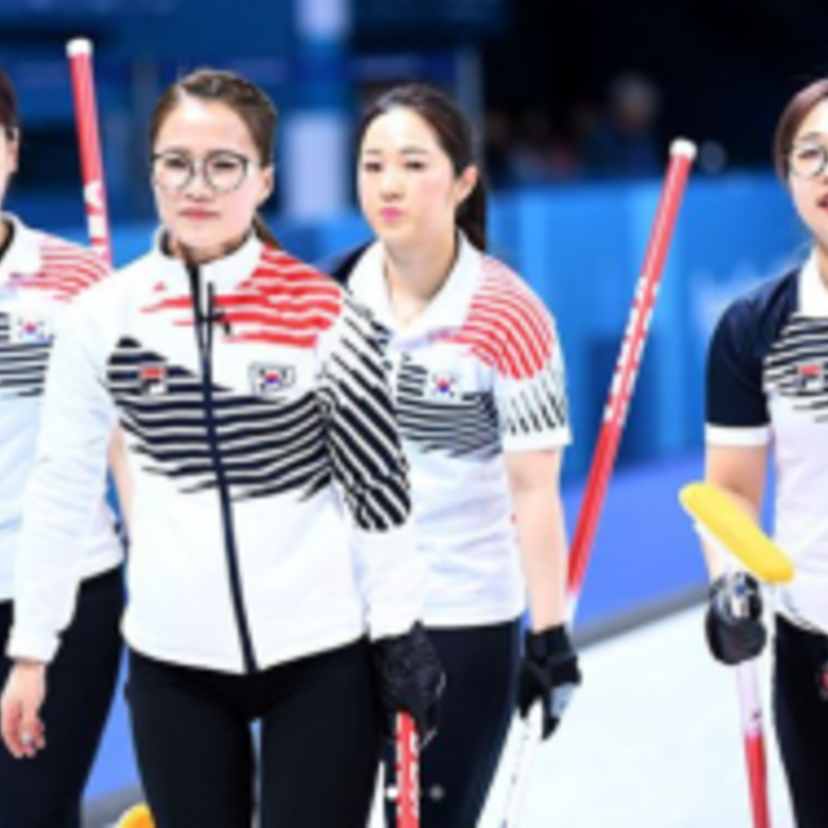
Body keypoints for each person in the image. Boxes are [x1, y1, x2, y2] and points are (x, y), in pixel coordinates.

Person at [0, 68, 443, 828]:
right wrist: (33, 649)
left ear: (264, 179)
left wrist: (399, 631)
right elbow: (64, 487)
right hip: (174, 666)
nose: (197, 185)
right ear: (152, 174)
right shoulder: (105, 316)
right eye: (176, 162)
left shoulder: (325, 315)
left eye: (224, 165)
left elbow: (378, 490)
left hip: (319, 658)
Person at [323, 83, 582, 827]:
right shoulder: (327, 298)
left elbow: (534, 491)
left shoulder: (509, 315)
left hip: (458, 615)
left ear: (464, 180)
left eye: (412, 163)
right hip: (338, 613)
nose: (389, 185)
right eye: (373, 166)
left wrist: (550, 634)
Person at [0, 64, 125, 828]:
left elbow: (125, 443)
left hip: (67, 589)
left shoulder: (76, 281)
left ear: (11, 150)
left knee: (31, 813)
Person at [702, 77, 828, 827]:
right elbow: (731, 495)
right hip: (815, 647)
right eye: (810, 155)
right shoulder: (756, 329)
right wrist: (732, 582)